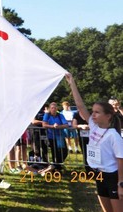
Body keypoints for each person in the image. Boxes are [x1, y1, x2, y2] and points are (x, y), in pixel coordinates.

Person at [66, 73, 123, 211]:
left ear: (108, 116)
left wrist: (121, 184)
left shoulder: (113, 136)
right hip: (98, 174)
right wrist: (71, 82)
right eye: (93, 111)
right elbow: (80, 106)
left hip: (112, 177)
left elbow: (121, 160)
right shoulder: (93, 125)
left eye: (97, 112)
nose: (93, 115)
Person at [42, 102, 69, 172]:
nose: (53, 109)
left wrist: (58, 126)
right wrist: (52, 126)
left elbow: (66, 125)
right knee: (55, 153)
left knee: (64, 152)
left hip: (60, 137)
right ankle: (57, 168)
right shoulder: (47, 115)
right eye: (52, 108)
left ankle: (54, 166)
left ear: (57, 108)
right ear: (50, 109)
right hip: (51, 137)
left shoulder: (60, 115)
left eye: (55, 108)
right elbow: (44, 125)